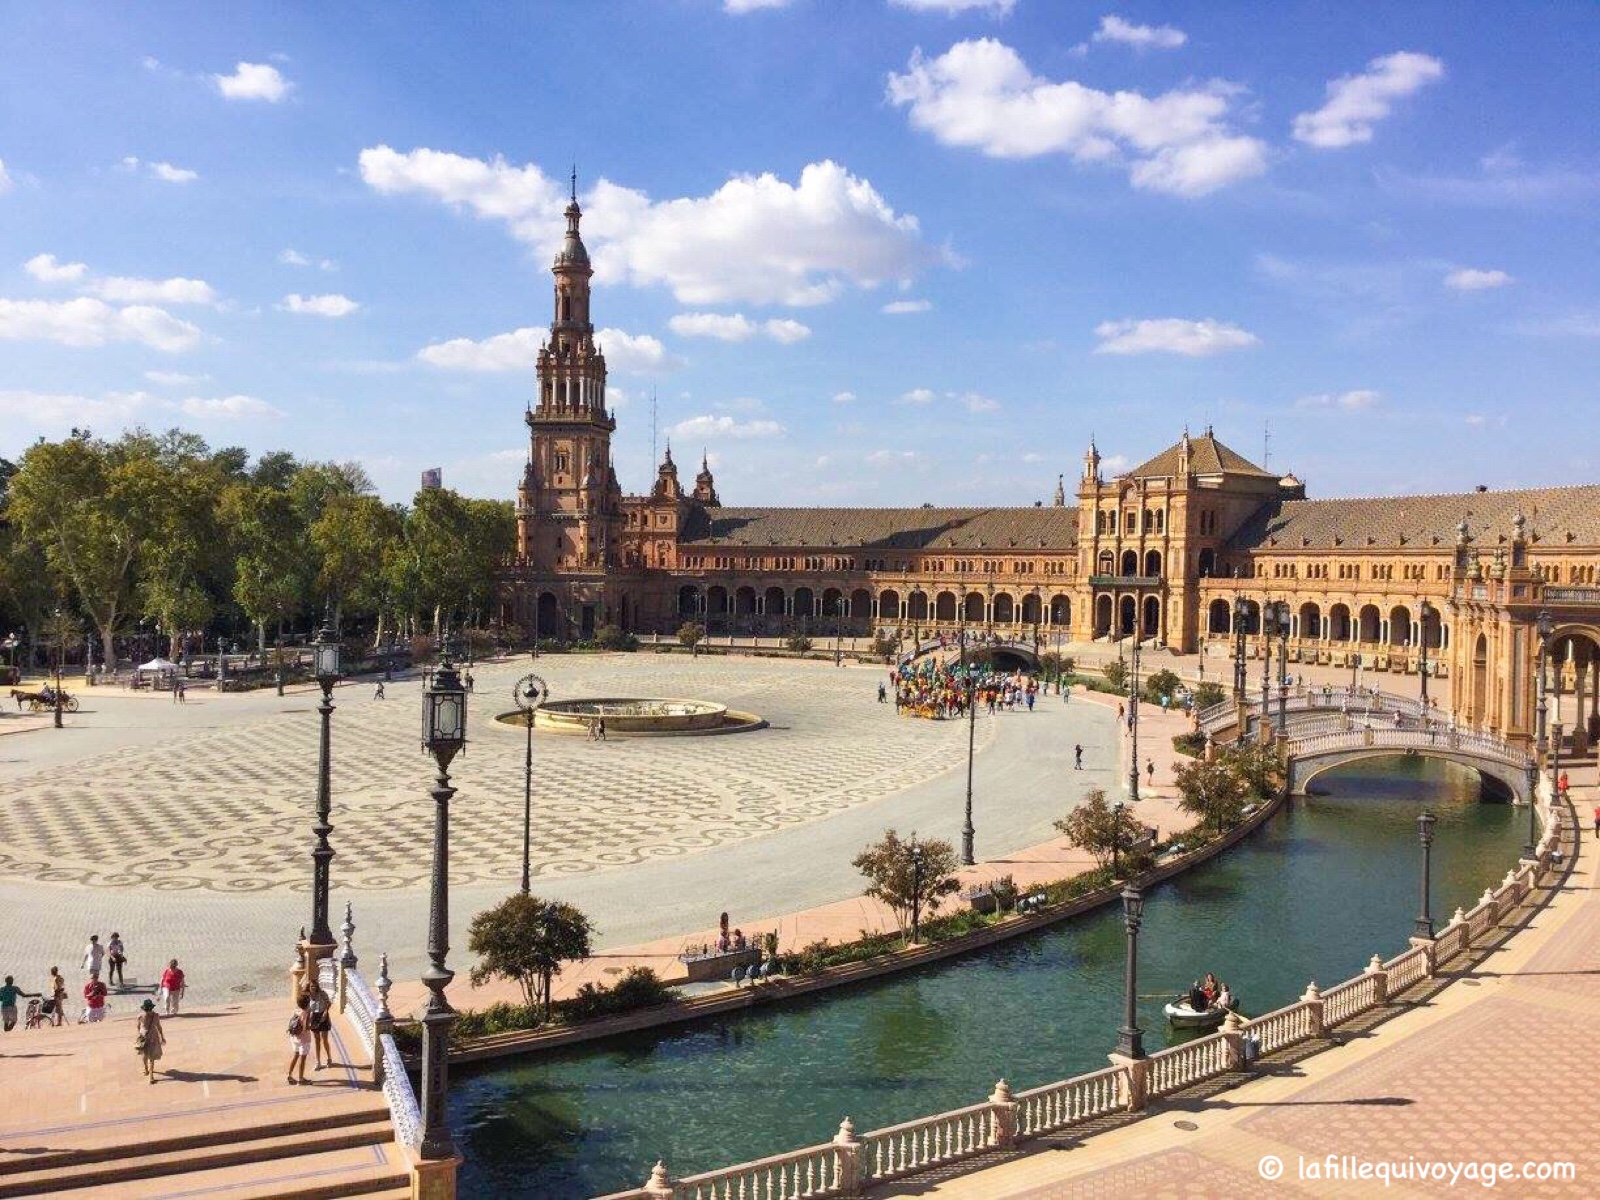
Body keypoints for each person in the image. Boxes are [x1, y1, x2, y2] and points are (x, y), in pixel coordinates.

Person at [135, 998, 165, 1084]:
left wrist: (140, 1034)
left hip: (144, 1036)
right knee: (152, 1057)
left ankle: (146, 1069)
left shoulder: (140, 1016)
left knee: (144, 1054)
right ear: (152, 1008)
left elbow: (138, 1027)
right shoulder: (156, 1015)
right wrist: (162, 1036)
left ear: (144, 1008)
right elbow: (159, 1027)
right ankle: (151, 1077)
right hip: (153, 1036)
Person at [307, 982, 334, 1070]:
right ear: (309, 987)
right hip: (314, 1018)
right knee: (317, 1040)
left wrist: (325, 1012)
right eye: (312, 986)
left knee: (324, 1039)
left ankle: (329, 1058)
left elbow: (328, 1003)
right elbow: (306, 1009)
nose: (313, 988)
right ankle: (318, 1062)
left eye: (315, 986)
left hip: (323, 1016)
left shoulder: (322, 993)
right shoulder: (308, 996)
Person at [286, 992, 312, 1084]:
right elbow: (306, 1028)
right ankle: (301, 1079)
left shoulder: (296, 1010)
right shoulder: (305, 1013)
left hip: (294, 1039)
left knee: (295, 1056)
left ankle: (289, 1075)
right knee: (302, 1059)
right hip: (303, 1040)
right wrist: (314, 1026)